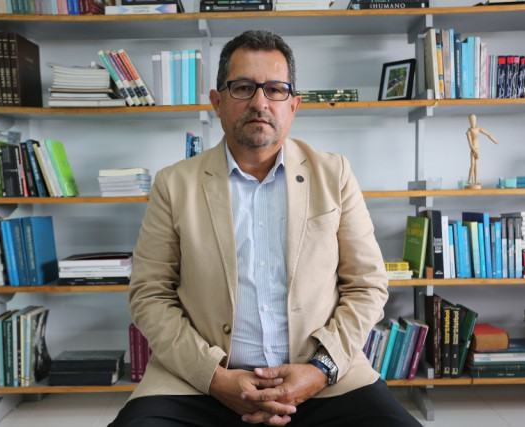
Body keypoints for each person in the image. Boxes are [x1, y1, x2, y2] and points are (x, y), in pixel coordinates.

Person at [109, 30, 420, 427]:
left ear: (293, 105)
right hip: (199, 382)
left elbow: (367, 285)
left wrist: (320, 369)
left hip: (321, 378)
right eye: (243, 88)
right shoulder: (174, 184)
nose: (260, 102)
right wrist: (213, 377)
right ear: (217, 102)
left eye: (275, 89)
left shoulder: (335, 174)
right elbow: (149, 295)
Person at [466, 113, 498, 187]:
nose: (473, 122)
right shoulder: (469, 132)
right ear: (469, 121)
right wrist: (476, 152)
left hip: (477, 148)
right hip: (473, 149)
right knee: (472, 165)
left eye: (474, 120)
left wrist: (495, 141)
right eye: (471, 120)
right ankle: (469, 180)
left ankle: (476, 181)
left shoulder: (478, 128)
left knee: (476, 165)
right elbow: (470, 145)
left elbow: (488, 134)